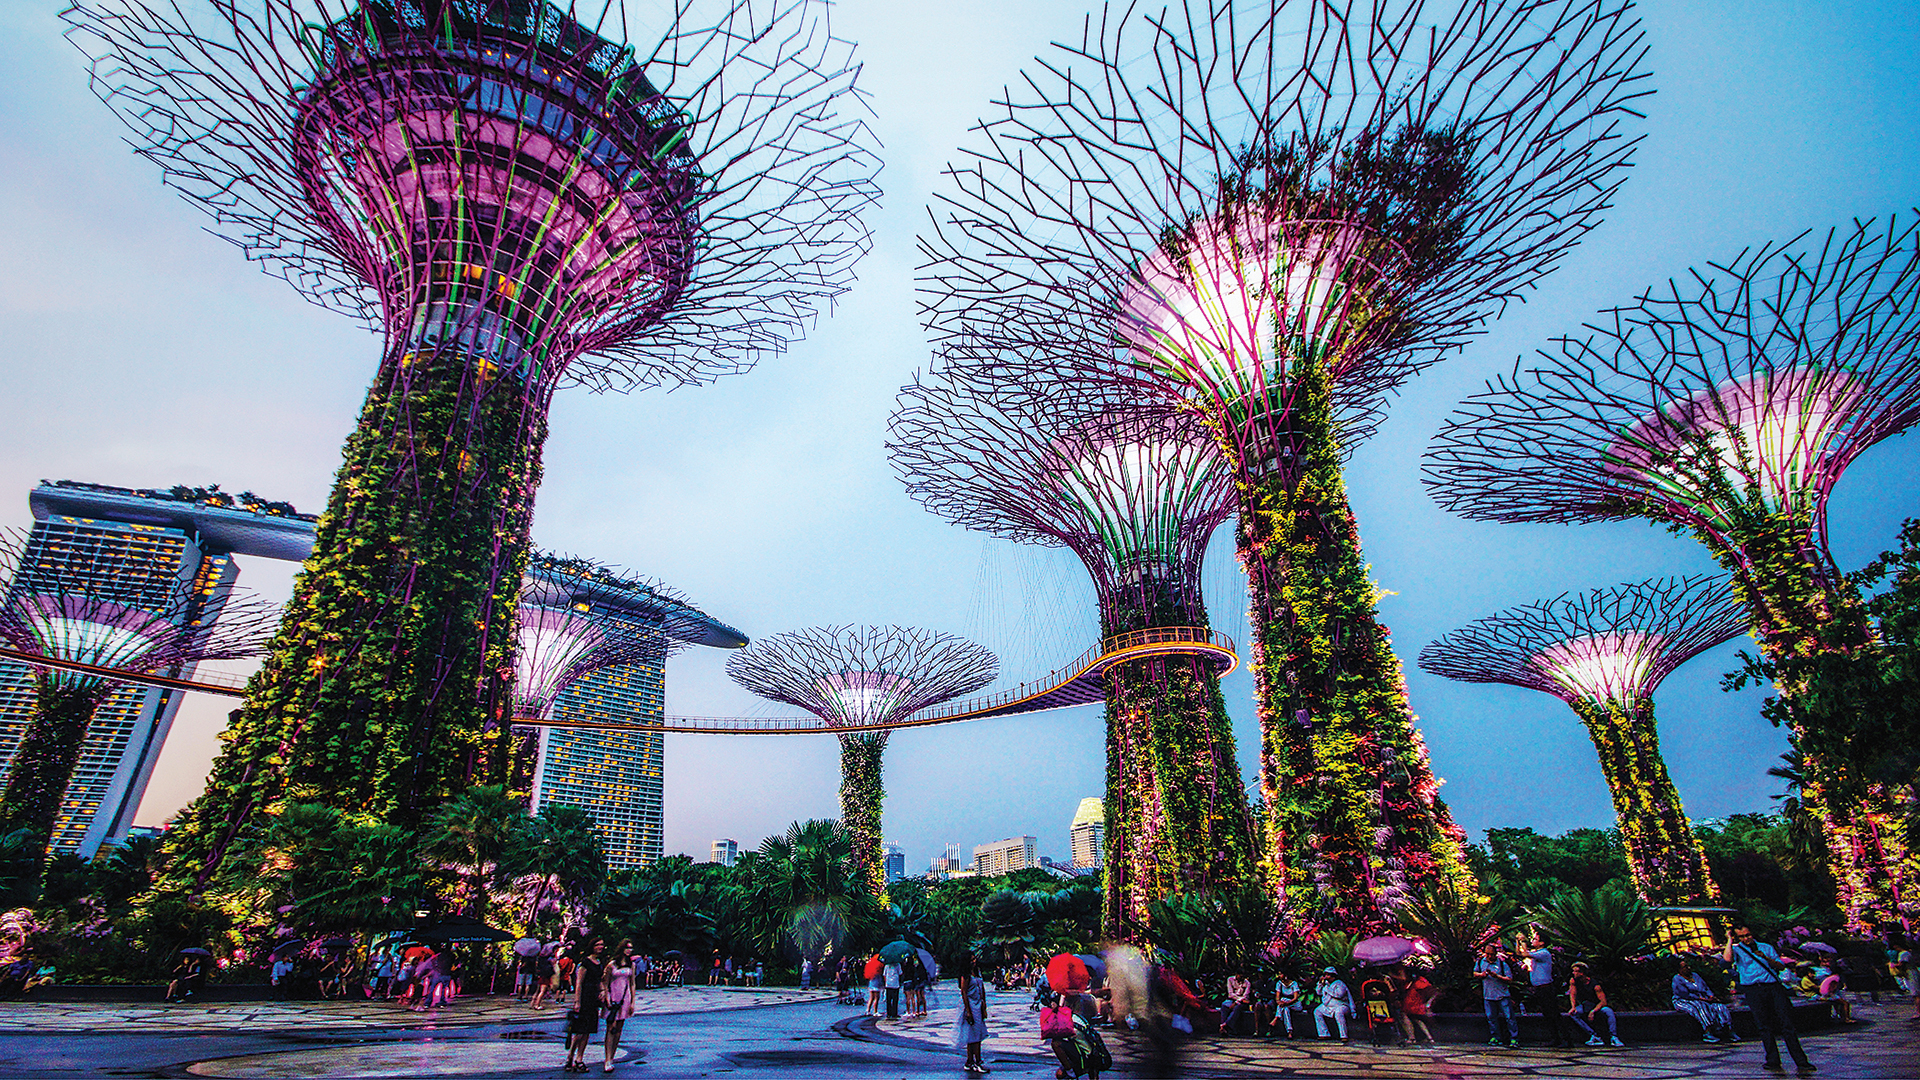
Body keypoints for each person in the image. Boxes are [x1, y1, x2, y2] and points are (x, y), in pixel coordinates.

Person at [1724, 923, 1814, 1072]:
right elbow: (1727, 959)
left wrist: (1765, 958)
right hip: (1753, 989)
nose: (1746, 939)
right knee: (1764, 1025)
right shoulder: (1737, 950)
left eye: (1748, 935)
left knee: (1786, 1024)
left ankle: (1801, 1061)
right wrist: (1729, 940)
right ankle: (1772, 1060)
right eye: (1742, 936)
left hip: (1772, 987)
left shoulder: (1765, 947)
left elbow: (1780, 966)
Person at [564, 937, 607, 1073]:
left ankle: (579, 1058)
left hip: (594, 997)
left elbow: (599, 980)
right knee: (580, 1031)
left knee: (588, 1030)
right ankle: (571, 1055)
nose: (600, 947)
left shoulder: (599, 962)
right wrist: (577, 1001)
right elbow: (579, 983)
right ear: (592, 946)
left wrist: (602, 991)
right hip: (585, 997)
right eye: (598, 945)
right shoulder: (585, 962)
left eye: (602, 945)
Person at [1672, 955, 1737, 1043]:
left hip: (1704, 998)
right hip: (1686, 1000)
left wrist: (1710, 996)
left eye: (1688, 966)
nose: (1688, 968)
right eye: (1685, 967)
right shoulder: (1677, 979)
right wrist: (1702, 999)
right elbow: (1684, 994)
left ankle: (1728, 1029)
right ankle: (1707, 1031)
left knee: (1719, 1007)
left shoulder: (1695, 975)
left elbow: (1706, 988)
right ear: (1679, 969)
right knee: (1700, 1007)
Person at [1564, 961, 1623, 1048]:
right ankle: (1594, 1035)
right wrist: (1573, 1007)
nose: (1573, 973)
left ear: (1582, 973)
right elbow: (1573, 994)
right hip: (1585, 1005)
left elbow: (1603, 1002)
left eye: (1576, 971)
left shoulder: (1595, 985)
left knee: (1609, 1012)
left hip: (1597, 1005)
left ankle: (1613, 1037)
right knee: (1574, 1014)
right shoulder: (1573, 981)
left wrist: (1593, 1011)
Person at [1526, 931, 1567, 1048]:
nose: (1532, 941)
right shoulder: (1537, 953)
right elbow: (1521, 953)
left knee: (1553, 1013)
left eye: (1535, 939)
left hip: (1546, 988)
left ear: (1542, 943)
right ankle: (1555, 1038)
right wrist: (1519, 942)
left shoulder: (1543, 953)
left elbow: (1525, 954)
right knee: (1548, 1014)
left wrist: (1523, 941)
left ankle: (1564, 1038)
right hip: (1539, 988)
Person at [601, 940, 637, 1074]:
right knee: (611, 1027)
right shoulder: (612, 964)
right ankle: (607, 1058)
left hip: (624, 996)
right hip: (613, 995)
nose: (629, 950)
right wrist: (607, 996)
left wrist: (633, 1001)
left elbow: (632, 983)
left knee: (619, 1028)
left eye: (631, 948)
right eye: (627, 948)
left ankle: (612, 1056)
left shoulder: (631, 965)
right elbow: (605, 981)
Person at [1474, 944, 1518, 1048]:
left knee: (1509, 1017)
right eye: (1487, 954)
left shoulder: (1502, 964)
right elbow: (1475, 973)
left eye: (1491, 954)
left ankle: (1514, 1038)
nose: (1489, 956)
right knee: (1491, 1017)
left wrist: (1497, 976)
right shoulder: (1481, 962)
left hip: (1502, 995)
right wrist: (1482, 975)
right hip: (1488, 996)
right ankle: (1495, 1037)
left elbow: (1509, 979)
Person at [954, 953, 989, 1075]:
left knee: (974, 1034)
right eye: (972, 959)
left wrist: (984, 1005)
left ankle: (970, 1061)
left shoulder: (977, 972)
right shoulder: (966, 975)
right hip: (971, 1006)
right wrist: (968, 1011)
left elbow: (982, 988)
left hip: (978, 1005)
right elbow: (964, 992)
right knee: (975, 1034)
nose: (974, 961)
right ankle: (977, 1061)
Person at [1313, 967, 1352, 1042]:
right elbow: (1319, 992)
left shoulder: (1340, 984)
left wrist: (1328, 989)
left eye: (1328, 975)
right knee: (1317, 1011)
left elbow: (1339, 995)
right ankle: (1324, 1034)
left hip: (1341, 1005)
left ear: (1332, 975)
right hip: (1328, 1006)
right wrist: (1320, 984)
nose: (1326, 977)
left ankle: (1344, 1036)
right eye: (1325, 975)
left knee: (1339, 1013)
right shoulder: (1325, 984)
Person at [1269, 970, 1302, 1038]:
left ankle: (1276, 1018)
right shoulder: (1279, 983)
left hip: (1294, 1004)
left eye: (1281, 974)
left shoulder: (1294, 984)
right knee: (1286, 1010)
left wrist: (1286, 1003)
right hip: (1285, 1006)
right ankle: (1289, 1031)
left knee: (1284, 1000)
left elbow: (1295, 998)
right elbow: (1277, 997)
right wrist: (1280, 1003)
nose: (1279, 976)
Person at [1220, 971, 1254, 1036]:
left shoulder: (1247, 983)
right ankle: (1224, 1029)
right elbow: (1230, 993)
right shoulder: (1230, 979)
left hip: (1242, 1002)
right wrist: (1236, 1000)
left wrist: (1236, 1002)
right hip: (1232, 999)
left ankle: (1226, 1025)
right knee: (1224, 1005)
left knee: (1237, 1007)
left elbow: (1245, 995)